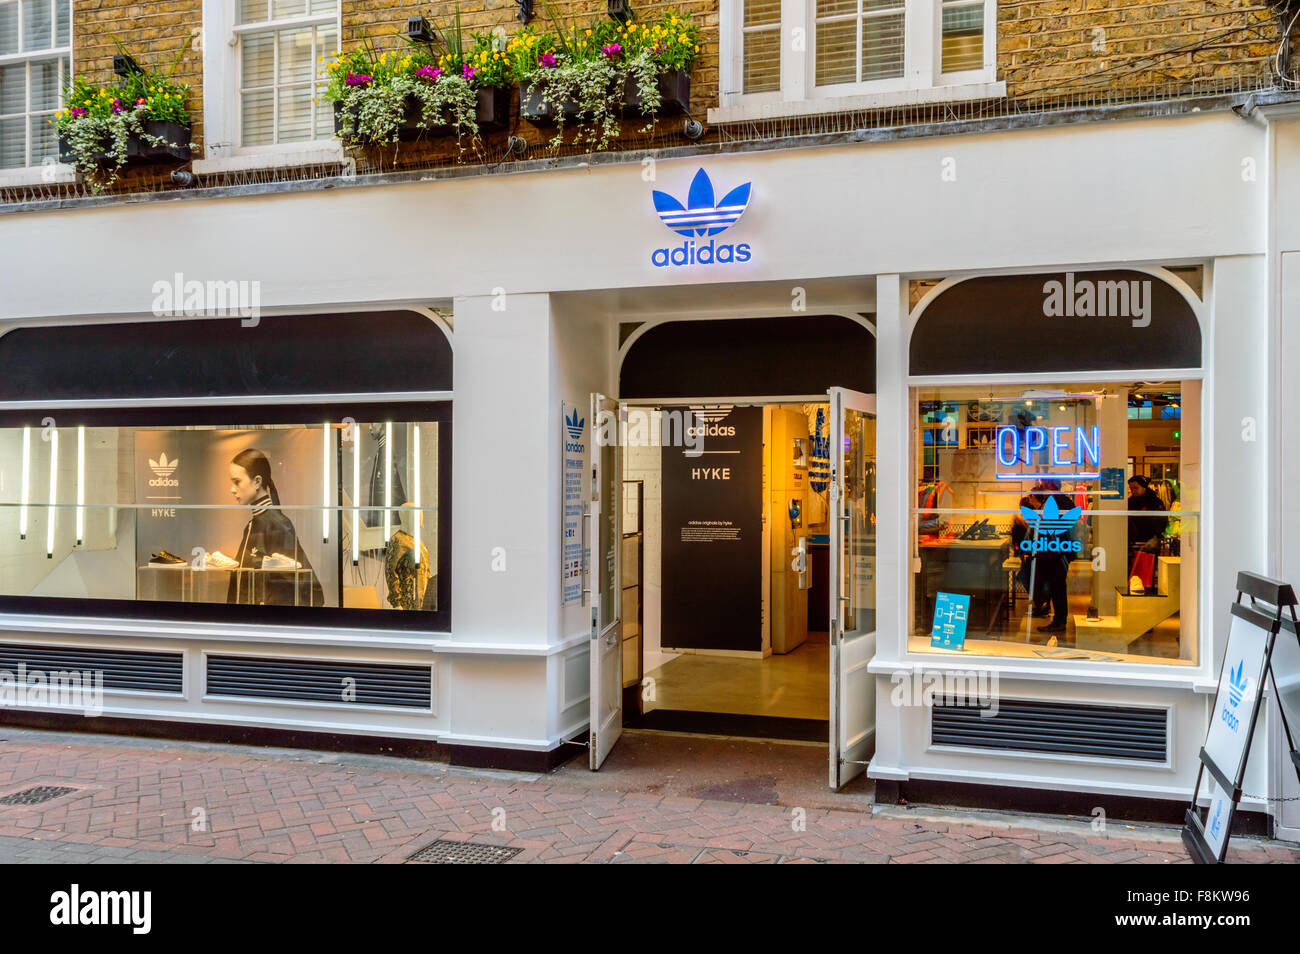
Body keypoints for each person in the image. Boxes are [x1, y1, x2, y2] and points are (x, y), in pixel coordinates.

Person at [226, 448, 323, 607]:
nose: (232, 489)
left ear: (257, 481)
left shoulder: (277, 525)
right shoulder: (255, 524)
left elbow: (309, 588)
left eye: (237, 481)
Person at [1030, 479, 1075, 634]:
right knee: (1056, 587)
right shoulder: (1062, 500)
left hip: (1055, 553)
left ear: (1050, 486)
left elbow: (1049, 524)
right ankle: (1057, 620)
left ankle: (1059, 621)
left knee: (1057, 588)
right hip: (1055, 551)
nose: (1041, 487)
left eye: (1043, 484)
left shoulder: (1057, 500)